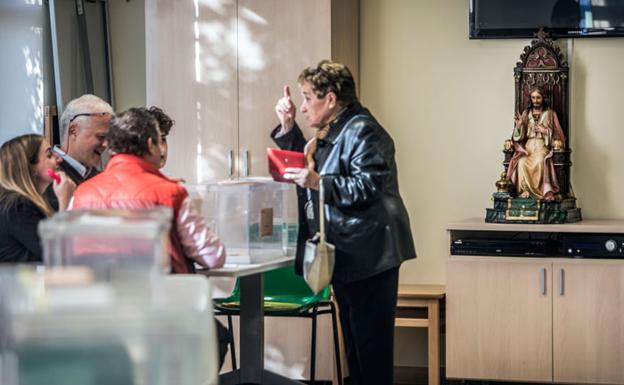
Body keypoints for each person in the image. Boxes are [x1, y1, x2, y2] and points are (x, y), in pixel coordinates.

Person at [271, 60, 416, 385]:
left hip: (370, 255)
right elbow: (313, 169)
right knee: (355, 351)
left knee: (370, 353)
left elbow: (367, 187)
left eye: (308, 98)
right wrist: (288, 127)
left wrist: (318, 182)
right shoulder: (338, 129)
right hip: (349, 253)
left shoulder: (363, 130)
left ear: (332, 98)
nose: (304, 106)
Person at [70, 107, 226, 273]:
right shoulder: (171, 193)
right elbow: (213, 256)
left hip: (100, 295)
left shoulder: (82, 193)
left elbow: (72, 252)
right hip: (162, 295)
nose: (163, 150)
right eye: (160, 141)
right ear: (151, 145)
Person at [0, 134, 76, 262]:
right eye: (49, 155)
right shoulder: (17, 206)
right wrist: (65, 202)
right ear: (31, 167)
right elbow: (57, 254)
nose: (59, 159)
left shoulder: (22, 203)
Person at [45, 94, 113, 210]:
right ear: (73, 131)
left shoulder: (101, 177)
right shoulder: (46, 180)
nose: (106, 145)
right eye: (101, 136)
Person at [506, 86, 565, 200]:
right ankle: (524, 192)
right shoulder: (526, 113)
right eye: (533, 98)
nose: (535, 100)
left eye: (538, 97)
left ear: (543, 98)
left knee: (539, 161)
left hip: (542, 146)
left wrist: (546, 131)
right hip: (527, 148)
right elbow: (518, 137)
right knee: (522, 162)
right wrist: (518, 126)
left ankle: (541, 193)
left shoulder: (550, 114)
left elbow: (560, 137)